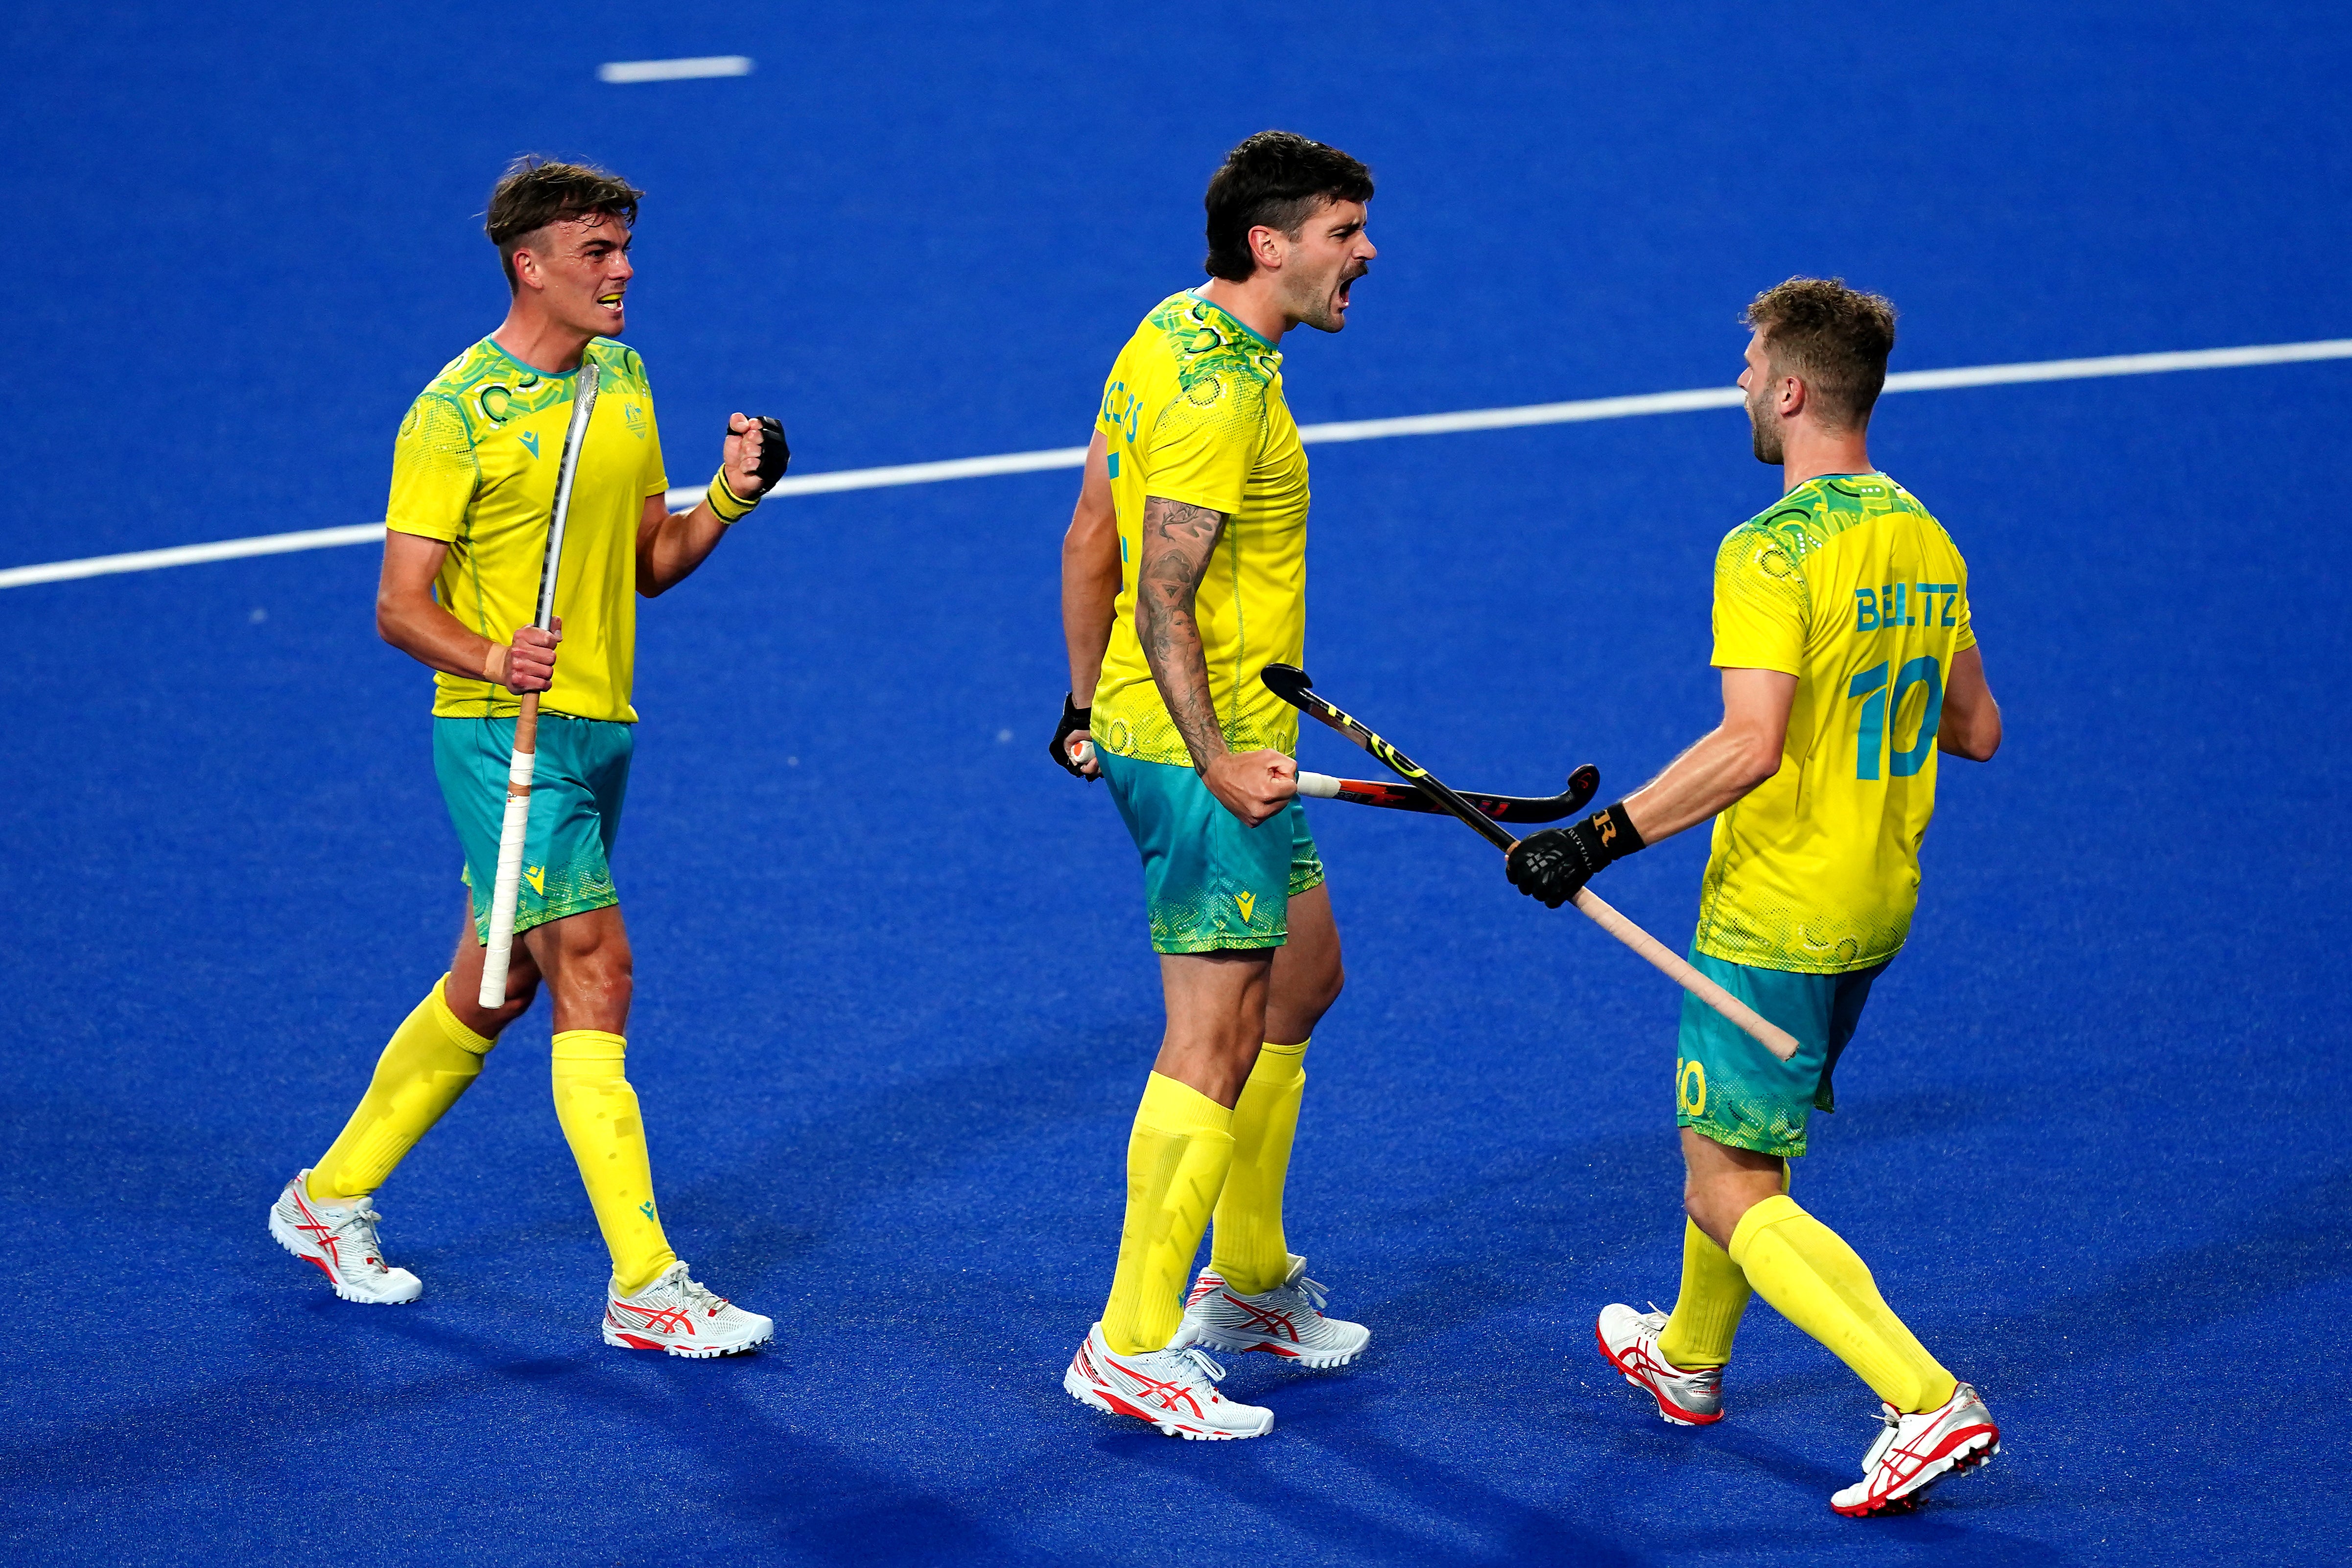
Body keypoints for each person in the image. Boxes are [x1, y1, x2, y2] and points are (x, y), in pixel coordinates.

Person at [267, 157, 787, 1357]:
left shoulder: (623, 377)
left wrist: (730, 496)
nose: (623, 271)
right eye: (597, 252)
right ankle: (646, 1285)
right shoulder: (454, 413)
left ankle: (325, 1199)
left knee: (496, 983)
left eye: (623, 250)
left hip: (598, 729)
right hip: (502, 736)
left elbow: (648, 561)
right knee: (595, 970)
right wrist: (493, 658)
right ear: (530, 265)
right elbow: (401, 606)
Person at [1506, 278, 2005, 1513]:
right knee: (1745, 1147)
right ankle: (1687, 1359)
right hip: (1875, 903)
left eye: (1745, 363)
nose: (1736, 381)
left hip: (1775, 909)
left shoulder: (1767, 550)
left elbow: (1747, 746)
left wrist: (1594, 841)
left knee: (1728, 1183)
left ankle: (1924, 1398)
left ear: (1789, 389)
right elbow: (1974, 726)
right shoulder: (1924, 538)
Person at [1050, 131, 1377, 1439]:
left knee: (1303, 978)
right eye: (1344, 231)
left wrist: (1081, 708)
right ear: (1270, 243)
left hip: (1209, 739)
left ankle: (1242, 1281)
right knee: (1214, 1030)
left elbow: (1088, 532)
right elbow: (1161, 590)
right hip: (1212, 759)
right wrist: (1202, 759)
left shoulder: (1172, 330)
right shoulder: (1216, 396)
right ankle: (1130, 1341)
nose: (1364, 253)